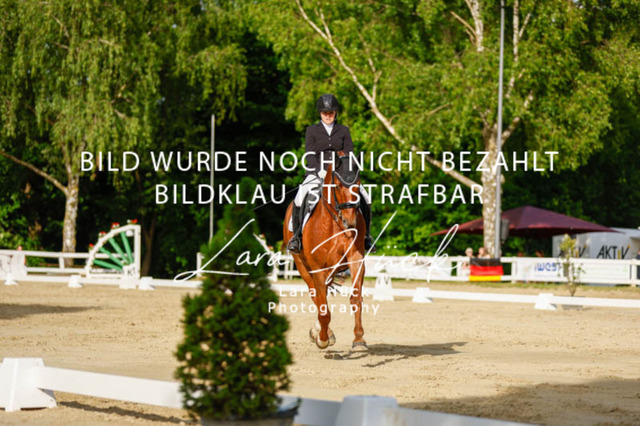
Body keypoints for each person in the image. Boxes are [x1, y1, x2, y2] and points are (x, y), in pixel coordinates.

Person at [287, 94, 374, 254]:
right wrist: (319, 170)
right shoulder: (312, 131)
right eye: (325, 113)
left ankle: (366, 237)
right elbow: (310, 154)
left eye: (331, 112)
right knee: (300, 196)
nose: (328, 116)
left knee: (365, 197)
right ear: (320, 113)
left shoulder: (343, 130)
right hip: (317, 172)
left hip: (340, 174)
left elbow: (349, 154)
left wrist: (343, 170)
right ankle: (297, 237)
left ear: (335, 113)